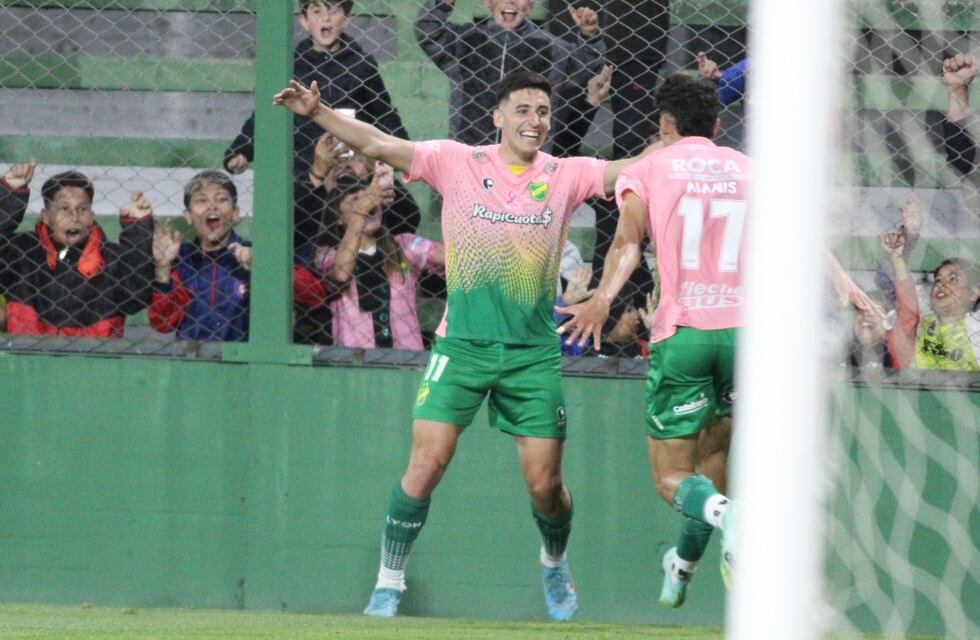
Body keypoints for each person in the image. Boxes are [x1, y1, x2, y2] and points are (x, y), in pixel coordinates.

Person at [273, 68, 652, 620]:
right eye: (522, 109)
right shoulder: (457, 162)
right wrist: (318, 114)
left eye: (543, 112)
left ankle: (553, 560)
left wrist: (687, 148)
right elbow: (378, 144)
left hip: (531, 355)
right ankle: (388, 584)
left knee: (545, 487)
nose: (534, 120)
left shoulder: (567, 173)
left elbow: (630, 168)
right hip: (461, 348)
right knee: (425, 466)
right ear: (498, 117)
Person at [557, 74, 747, 607]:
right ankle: (683, 566)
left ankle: (735, 518)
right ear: (717, 125)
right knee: (713, 461)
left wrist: (601, 297)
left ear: (664, 125)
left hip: (684, 335)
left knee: (672, 477)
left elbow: (626, 244)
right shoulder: (749, 169)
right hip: (744, 338)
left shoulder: (650, 168)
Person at [225, 0, 409, 179]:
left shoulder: (362, 65)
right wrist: (241, 150)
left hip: (351, 169)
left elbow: (383, 113)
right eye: (316, 11)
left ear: (346, 19)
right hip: (302, 170)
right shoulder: (291, 66)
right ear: (304, 20)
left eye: (334, 11)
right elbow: (267, 113)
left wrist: (398, 151)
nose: (325, 18)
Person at [414, 0, 605, 154]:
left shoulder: (550, 46)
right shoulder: (466, 40)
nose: (510, 1)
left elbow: (586, 65)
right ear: (488, 3)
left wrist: (589, 34)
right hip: (471, 151)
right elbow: (428, 32)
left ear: (530, 6)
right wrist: (443, 4)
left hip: (529, 154)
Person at [292, 167, 445, 350]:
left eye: (370, 198)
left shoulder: (404, 244)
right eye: (356, 200)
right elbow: (341, 273)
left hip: (407, 357)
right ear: (338, 217)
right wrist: (360, 213)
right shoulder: (326, 253)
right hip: (353, 359)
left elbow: (446, 256)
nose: (368, 204)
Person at [0, 161, 154, 337]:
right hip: (26, 353)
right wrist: (10, 195)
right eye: (64, 208)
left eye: (82, 209)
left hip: (95, 354)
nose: (74, 216)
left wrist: (137, 231)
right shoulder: (22, 252)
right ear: (46, 216)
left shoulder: (111, 259)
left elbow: (137, 298)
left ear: (91, 216)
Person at [148, 171, 253, 341]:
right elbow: (163, 323)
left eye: (221, 199)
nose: (212, 206)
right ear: (188, 216)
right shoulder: (180, 257)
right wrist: (163, 268)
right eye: (201, 200)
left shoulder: (253, 254)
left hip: (241, 355)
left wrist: (258, 269)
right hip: (191, 354)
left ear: (235, 212)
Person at [880, 230, 980, 371]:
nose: (941, 285)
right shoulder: (925, 318)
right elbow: (906, 296)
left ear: (974, 293)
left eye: (953, 279)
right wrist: (896, 259)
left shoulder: (975, 328)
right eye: (937, 280)